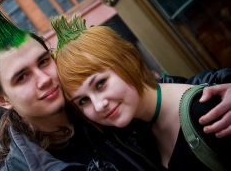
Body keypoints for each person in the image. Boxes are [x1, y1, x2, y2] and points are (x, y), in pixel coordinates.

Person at [0, 0, 231, 170]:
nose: (44, 79)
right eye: (21, 77)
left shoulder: (99, 111)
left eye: (43, 61)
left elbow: (159, 94)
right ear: (1, 99)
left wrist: (223, 84)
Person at [53, 15, 231, 170]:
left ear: (128, 61)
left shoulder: (211, 111)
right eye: (83, 101)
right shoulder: (138, 132)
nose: (99, 105)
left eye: (100, 84)